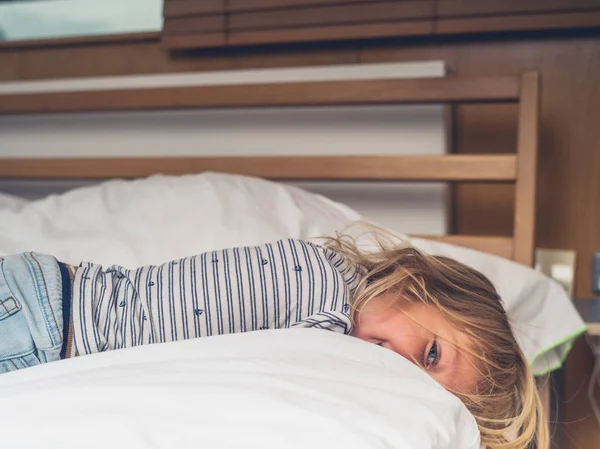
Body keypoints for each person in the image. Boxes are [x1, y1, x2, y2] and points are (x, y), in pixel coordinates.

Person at [0, 229, 547, 449]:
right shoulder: (321, 286)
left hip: (42, 315)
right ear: (420, 287)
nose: (400, 370)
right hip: (46, 321)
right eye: (430, 355)